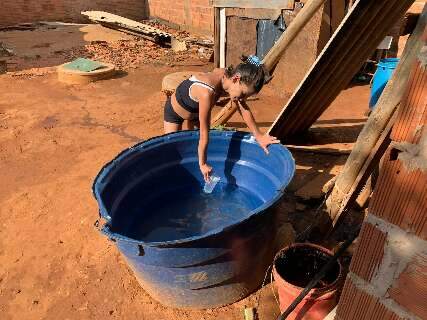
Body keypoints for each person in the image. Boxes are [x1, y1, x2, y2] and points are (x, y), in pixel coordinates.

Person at [163, 55, 280, 182]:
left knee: (191, 147)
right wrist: (203, 164)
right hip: (174, 112)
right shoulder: (206, 93)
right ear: (236, 78)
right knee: (172, 150)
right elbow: (204, 133)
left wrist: (259, 136)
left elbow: (243, 108)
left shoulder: (228, 78)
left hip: (195, 113)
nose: (242, 99)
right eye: (243, 94)